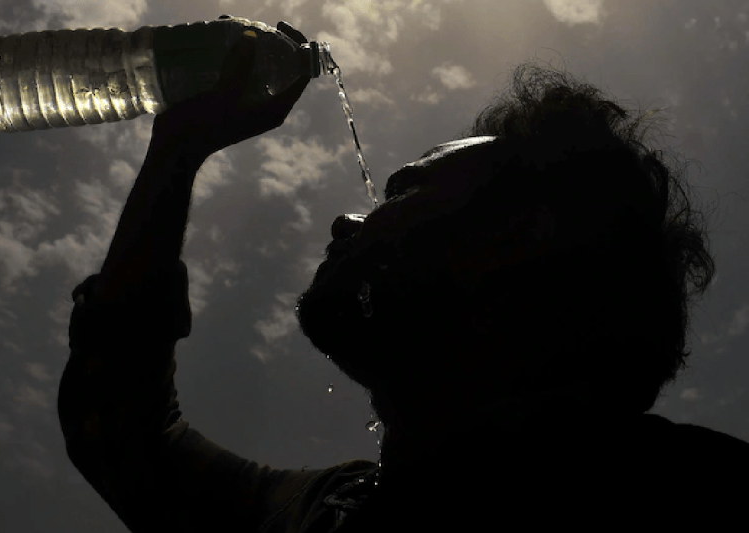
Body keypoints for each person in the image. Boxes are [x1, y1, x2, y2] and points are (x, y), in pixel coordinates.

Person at [57, 19, 748, 532]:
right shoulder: (330, 512)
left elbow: (124, 435)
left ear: (523, 233)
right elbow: (121, 429)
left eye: (402, 191)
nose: (346, 222)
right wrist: (177, 149)